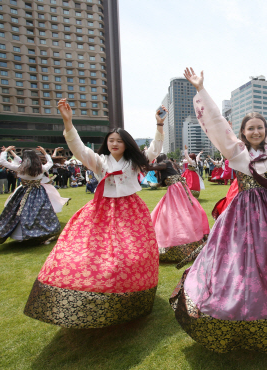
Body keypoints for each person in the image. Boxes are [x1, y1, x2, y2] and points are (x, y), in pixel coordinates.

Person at [170, 68, 267, 353]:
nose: (256, 131)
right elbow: (217, 122)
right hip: (242, 213)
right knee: (236, 258)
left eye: (260, 127)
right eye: (251, 128)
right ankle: (232, 305)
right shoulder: (235, 152)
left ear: (265, 130)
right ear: (243, 132)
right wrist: (201, 90)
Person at [23, 100, 164, 329]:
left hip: (131, 211)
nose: (115, 143)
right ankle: (95, 294)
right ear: (106, 143)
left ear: (126, 144)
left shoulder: (135, 162)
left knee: (134, 253)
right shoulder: (99, 161)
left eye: (119, 141)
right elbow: (78, 148)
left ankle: (131, 295)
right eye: (111, 141)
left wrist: (159, 125)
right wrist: (68, 123)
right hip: (103, 210)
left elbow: (155, 149)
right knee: (95, 254)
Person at [149, 154, 209, 262]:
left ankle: (181, 241)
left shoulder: (166, 163)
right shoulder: (169, 167)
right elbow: (161, 181)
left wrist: (141, 162)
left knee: (177, 213)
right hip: (177, 189)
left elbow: (152, 166)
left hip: (176, 190)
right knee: (177, 212)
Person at [0, 146, 60, 244]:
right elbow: (50, 163)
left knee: (20, 211)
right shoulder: (41, 168)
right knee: (41, 212)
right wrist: (45, 153)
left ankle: (21, 235)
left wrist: (6, 151)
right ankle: (41, 232)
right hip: (38, 192)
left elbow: (3, 161)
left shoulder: (20, 168)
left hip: (23, 192)